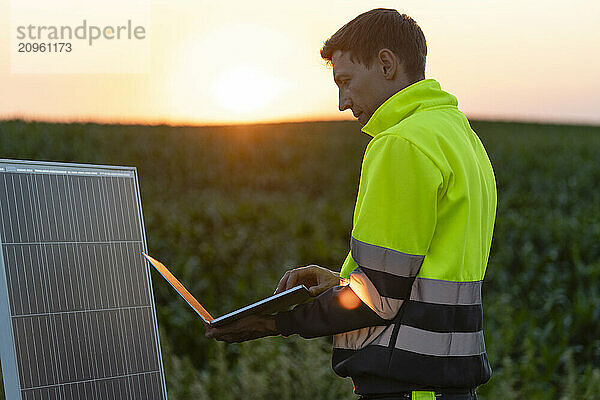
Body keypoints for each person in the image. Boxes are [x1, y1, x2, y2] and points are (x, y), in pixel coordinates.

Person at [206, 8, 497, 400]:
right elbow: (414, 278)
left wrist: (275, 322)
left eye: (346, 81)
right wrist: (340, 283)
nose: (343, 102)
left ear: (386, 63)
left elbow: (377, 298)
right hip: (448, 384)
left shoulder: (401, 143)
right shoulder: (459, 137)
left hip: (407, 385)